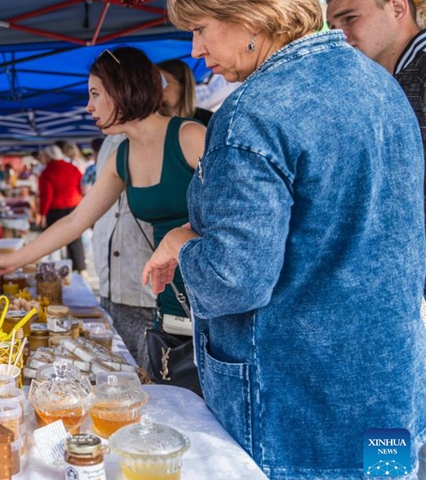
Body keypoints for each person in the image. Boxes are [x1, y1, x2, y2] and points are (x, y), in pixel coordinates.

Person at [144, 0, 426, 476]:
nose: (195, 49)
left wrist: (182, 245)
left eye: (200, 28)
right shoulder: (382, 84)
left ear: (249, 16)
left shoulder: (251, 113)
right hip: (389, 393)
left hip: (294, 412)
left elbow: (234, 279)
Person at [0, 47, 206, 350]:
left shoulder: (191, 137)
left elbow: (238, 216)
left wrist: (185, 234)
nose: (88, 106)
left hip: (211, 298)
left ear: (123, 89)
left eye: (95, 94)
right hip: (169, 302)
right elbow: (75, 220)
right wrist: (11, 261)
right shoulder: (121, 156)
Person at [326, 0, 426, 295]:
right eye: (332, 26)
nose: (340, 35)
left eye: (349, 18)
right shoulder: (385, 82)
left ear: (396, 8)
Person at [90, 132, 156, 370]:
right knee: (114, 371)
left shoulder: (173, 134)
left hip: (145, 288)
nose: (89, 106)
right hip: (112, 284)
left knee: (147, 380)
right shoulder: (110, 142)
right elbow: (82, 216)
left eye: (97, 94)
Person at [35, 144, 86, 272]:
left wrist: (42, 214)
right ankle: (80, 268)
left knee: (54, 239)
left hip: (56, 209)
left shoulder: (47, 172)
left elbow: (46, 195)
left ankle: (56, 269)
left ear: (48, 156)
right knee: (75, 238)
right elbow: (81, 186)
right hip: (74, 206)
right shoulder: (73, 168)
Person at [156, 59, 214, 126]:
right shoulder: (150, 124)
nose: (157, 90)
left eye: (163, 83)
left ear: (183, 86)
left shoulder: (209, 121)